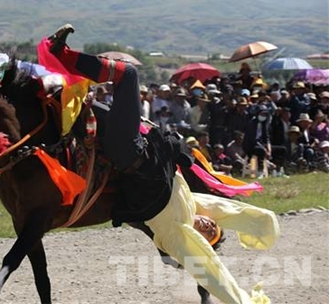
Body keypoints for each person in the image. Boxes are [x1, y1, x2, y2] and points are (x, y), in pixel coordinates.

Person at [46, 25, 270, 304]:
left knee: (128, 74)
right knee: (78, 106)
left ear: (200, 243)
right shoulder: (193, 206)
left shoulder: (178, 236)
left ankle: (60, 54)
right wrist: (265, 223)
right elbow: (229, 208)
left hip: (130, 152)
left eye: (208, 234)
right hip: (138, 145)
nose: (208, 225)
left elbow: (214, 272)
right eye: (213, 226)